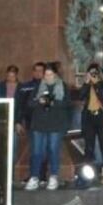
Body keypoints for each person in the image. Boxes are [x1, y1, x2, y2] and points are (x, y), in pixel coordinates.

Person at [25, 63, 71, 191]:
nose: (48, 77)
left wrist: (51, 101)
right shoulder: (38, 86)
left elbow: (67, 104)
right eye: (46, 74)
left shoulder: (63, 86)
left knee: (53, 150)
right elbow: (30, 103)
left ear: (55, 74)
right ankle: (34, 177)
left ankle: (53, 176)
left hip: (56, 124)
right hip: (39, 124)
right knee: (37, 151)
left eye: (50, 74)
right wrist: (39, 102)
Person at [76, 63, 103, 184]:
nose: (93, 74)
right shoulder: (87, 84)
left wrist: (96, 82)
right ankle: (88, 174)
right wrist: (87, 83)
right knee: (89, 147)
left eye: (95, 72)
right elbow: (81, 96)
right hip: (89, 117)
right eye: (91, 72)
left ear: (99, 73)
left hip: (102, 118)